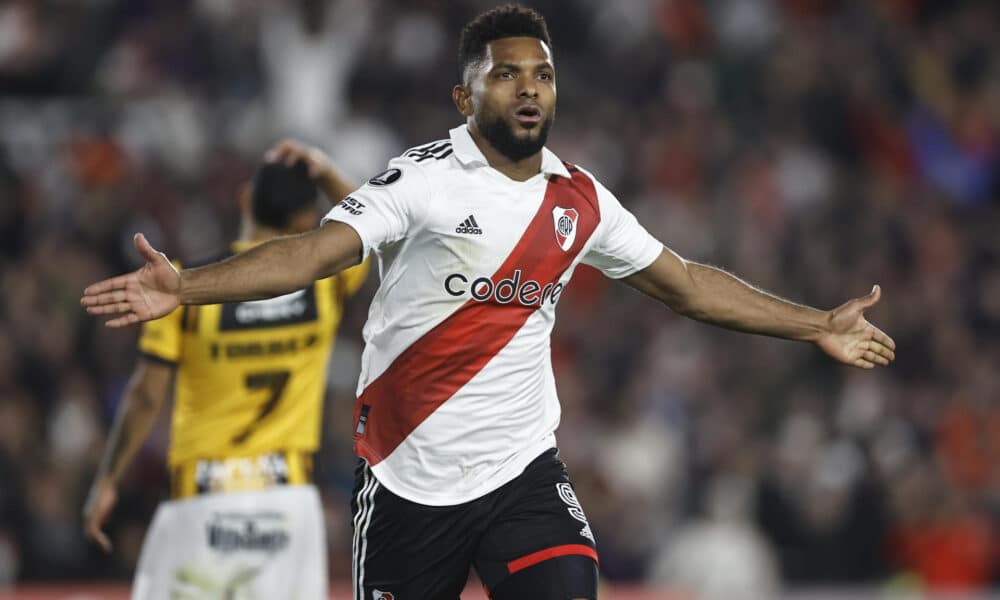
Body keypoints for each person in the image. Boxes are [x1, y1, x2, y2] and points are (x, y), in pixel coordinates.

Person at [81, 5, 896, 599]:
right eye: (505, 74)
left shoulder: (580, 200)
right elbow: (315, 253)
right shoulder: (422, 181)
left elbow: (687, 284)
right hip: (406, 482)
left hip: (520, 473)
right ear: (465, 98)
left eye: (541, 73)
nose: (529, 88)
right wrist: (188, 286)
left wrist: (814, 322)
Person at [82, 143, 369, 600]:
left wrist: (108, 480)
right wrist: (325, 170)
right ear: (303, 222)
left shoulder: (183, 285)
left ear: (243, 199)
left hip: (204, 499)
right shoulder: (327, 283)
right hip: (288, 501)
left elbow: (146, 396)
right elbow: (370, 224)